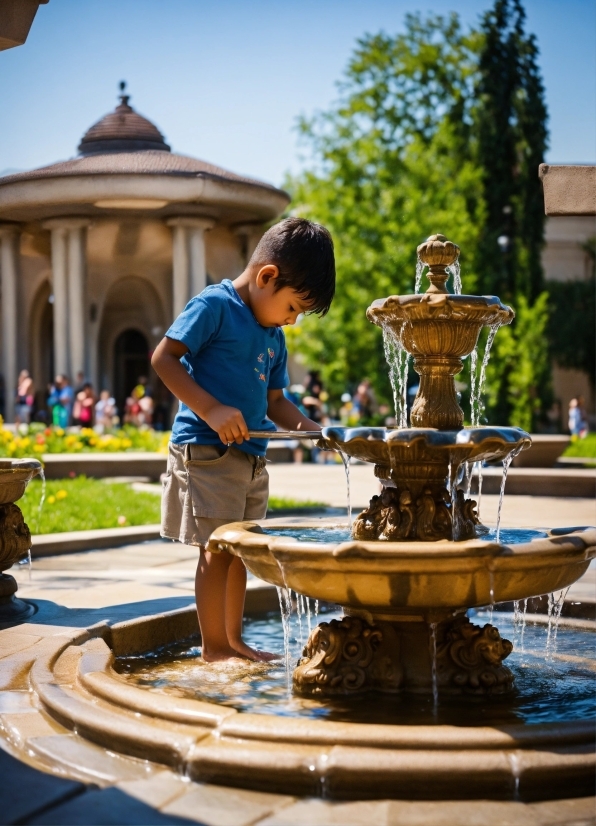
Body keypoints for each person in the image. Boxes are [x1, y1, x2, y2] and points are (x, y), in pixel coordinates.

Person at [152, 217, 335, 662]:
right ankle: (213, 648)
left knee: (239, 553)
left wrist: (316, 432)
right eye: (293, 307)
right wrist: (211, 409)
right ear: (267, 277)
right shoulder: (215, 306)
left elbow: (277, 402)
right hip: (209, 453)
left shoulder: (273, 335)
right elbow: (165, 358)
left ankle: (233, 642)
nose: (293, 321)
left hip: (251, 458)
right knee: (217, 550)